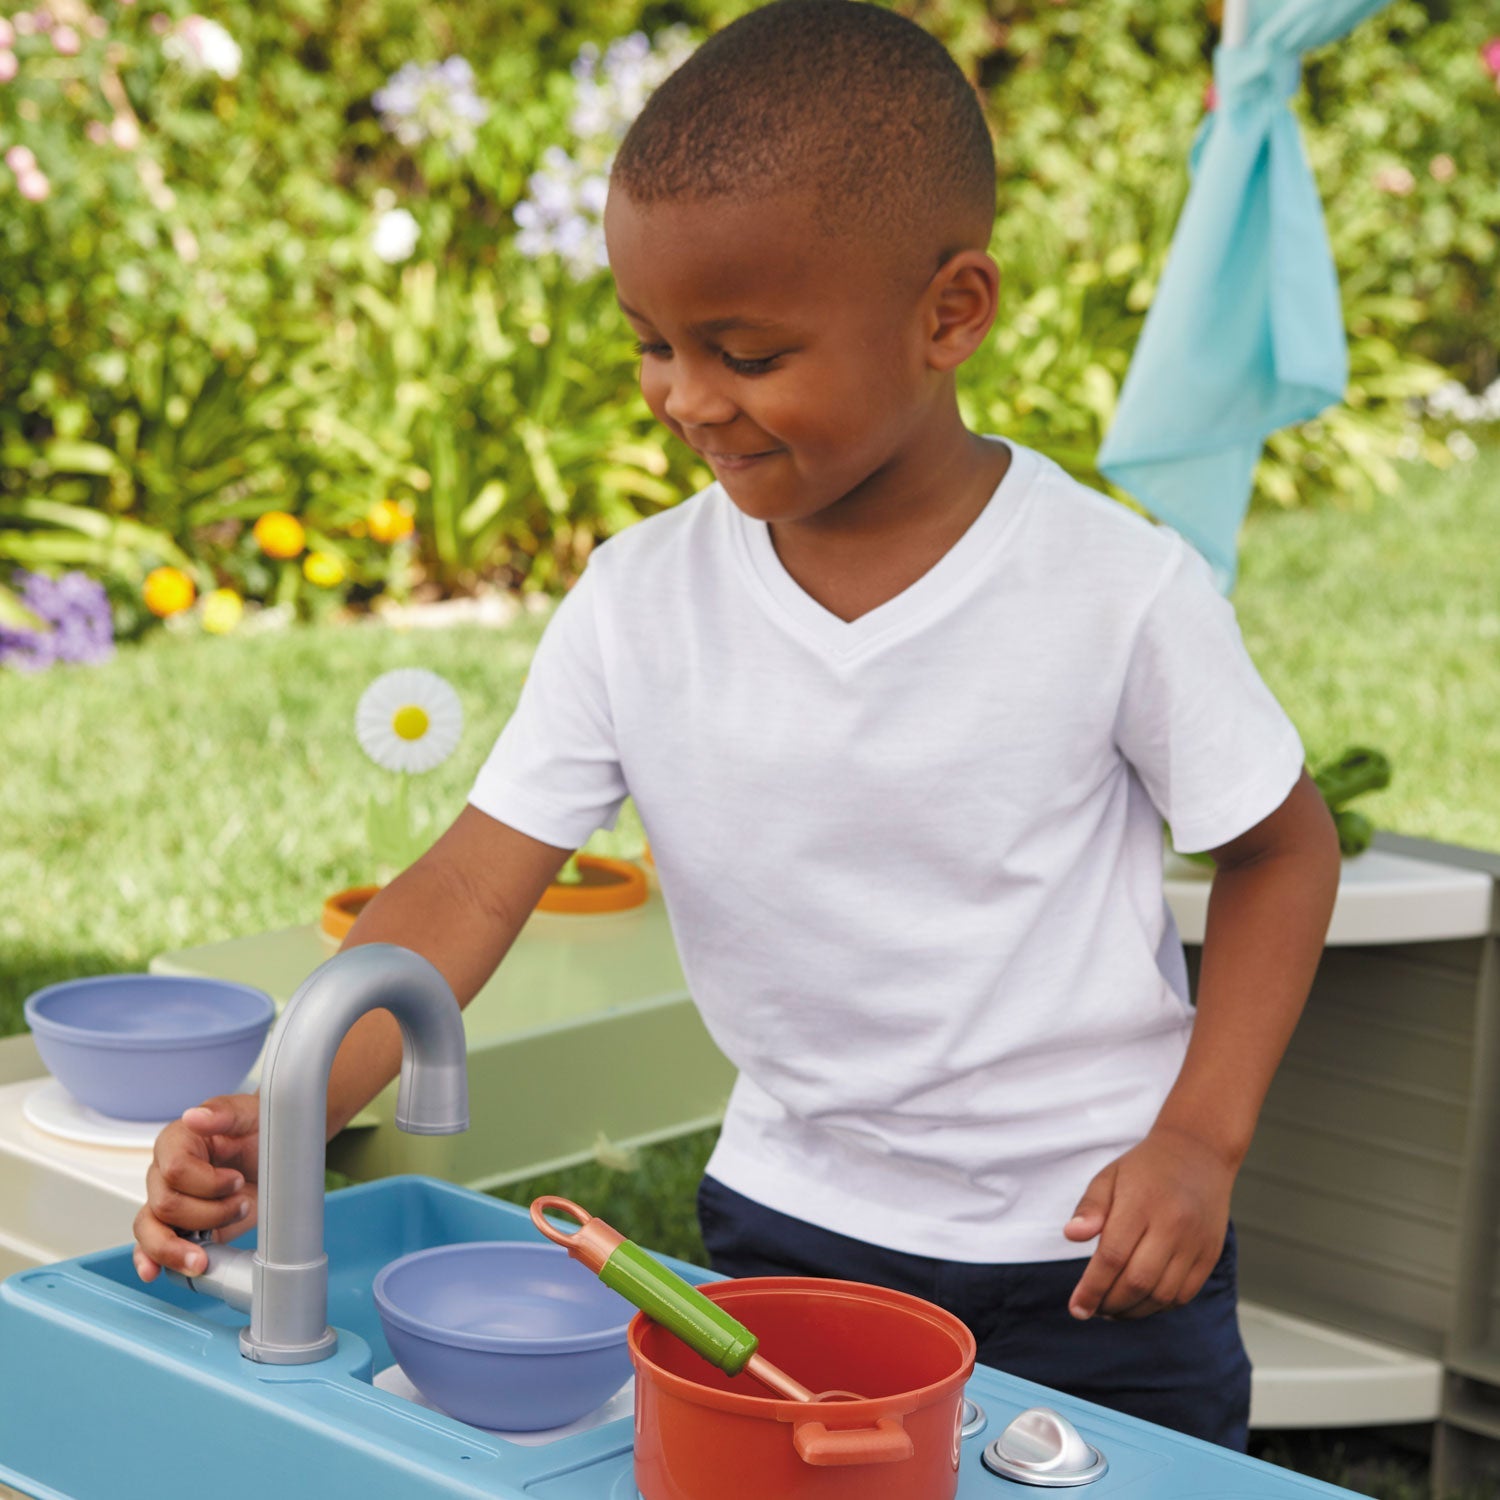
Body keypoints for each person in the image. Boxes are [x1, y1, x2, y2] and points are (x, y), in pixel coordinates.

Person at [132, 0, 1341, 1452]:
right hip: (782, 1232)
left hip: (1087, 1262)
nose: (689, 401)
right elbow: (461, 890)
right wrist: (281, 1116)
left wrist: (1200, 1140)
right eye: (653, 343)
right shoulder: (641, 598)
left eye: (749, 355)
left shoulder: (1115, 590)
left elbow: (1282, 853)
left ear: (952, 312)